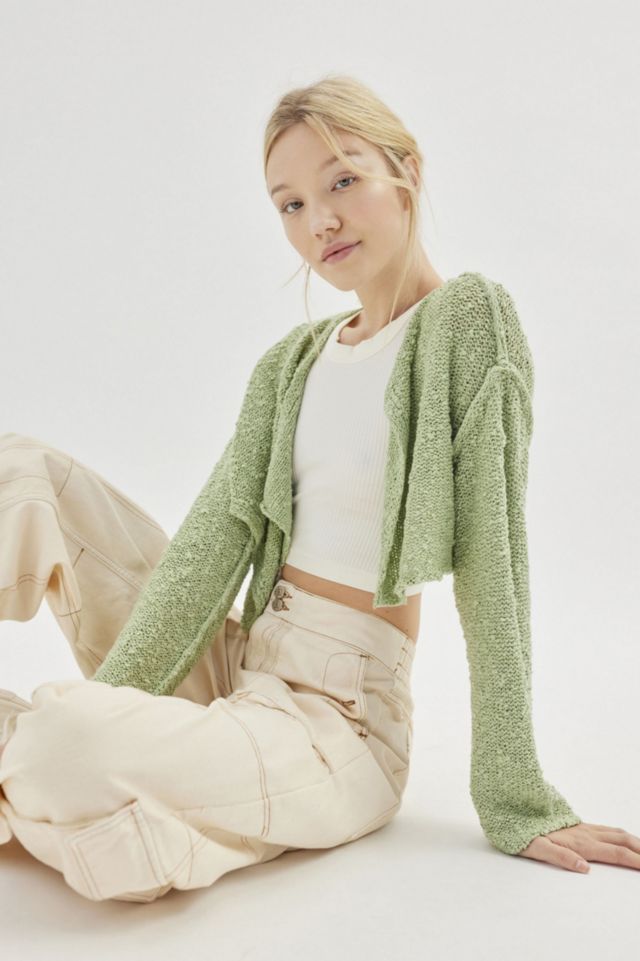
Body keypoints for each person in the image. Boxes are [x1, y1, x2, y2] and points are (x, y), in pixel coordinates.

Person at [1, 74, 637, 904]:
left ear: (407, 172)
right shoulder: (291, 364)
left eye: (342, 181)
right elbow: (206, 550)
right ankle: (101, 786)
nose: (320, 221)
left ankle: (75, 773)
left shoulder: (467, 322)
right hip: (241, 657)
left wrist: (513, 794)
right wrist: (120, 704)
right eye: (291, 204)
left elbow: (497, 559)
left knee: (63, 747)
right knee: (24, 470)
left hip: (336, 725)